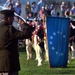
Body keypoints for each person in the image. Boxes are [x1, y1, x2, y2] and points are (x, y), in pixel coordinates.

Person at [0, 10, 32, 75]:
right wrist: (23, 24)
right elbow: (26, 34)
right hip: (10, 62)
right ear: (9, 18)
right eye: (12, 18)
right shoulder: (10, 29)